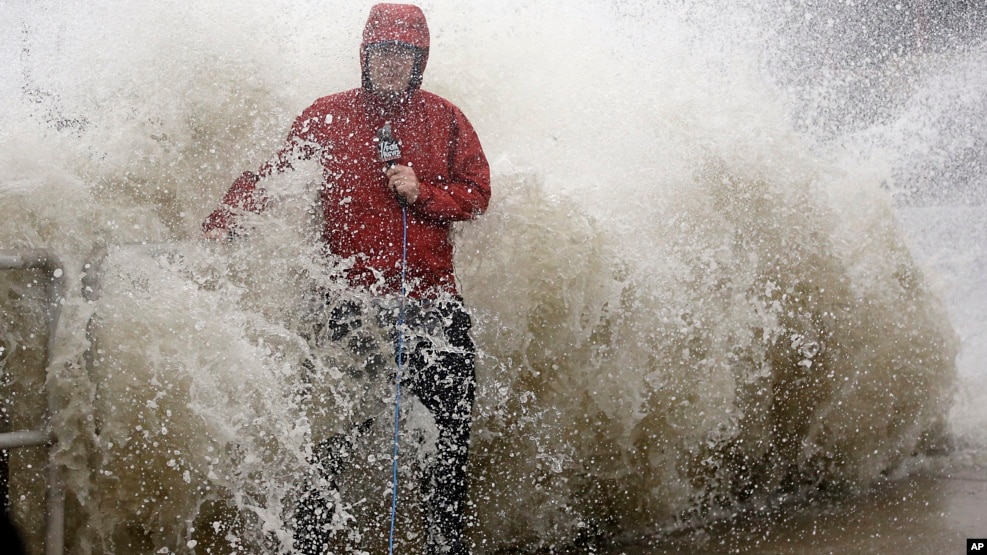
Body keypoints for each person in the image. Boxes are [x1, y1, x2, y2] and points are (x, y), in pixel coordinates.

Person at [202, 4, 490, 554]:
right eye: (382, 53)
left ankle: (443, 545)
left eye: (404, 55)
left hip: (430, 304)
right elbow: (278, 175)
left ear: (419, 61)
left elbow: (477, 195)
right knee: (328, 436)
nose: (391, 64)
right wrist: (224, 222)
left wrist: (423, 192)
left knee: (450, 437)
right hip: (346, 305)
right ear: (365, 56)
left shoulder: (446, 118)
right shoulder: (326, 115)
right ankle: (311, 544)